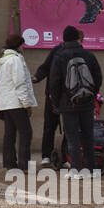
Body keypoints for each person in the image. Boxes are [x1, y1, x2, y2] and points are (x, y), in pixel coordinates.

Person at [46, 25, 103, 175]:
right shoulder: (89, 55)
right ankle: (91, 168)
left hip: (68, 104)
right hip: (87, 103)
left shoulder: (59, 57)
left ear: (64, 39)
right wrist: (92, 94)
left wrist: (57, 102)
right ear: (77, 38)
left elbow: (54, 82)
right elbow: (98, 76)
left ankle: (76, 169)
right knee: (87, 136)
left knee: (72, 138)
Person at [32, 31, 78, 164]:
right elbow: (45, 67)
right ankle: (46, 155)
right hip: (54, 94)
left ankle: (65, 156)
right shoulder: (57, 51)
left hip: (66, 95)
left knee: (67, 127)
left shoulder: (78, 52)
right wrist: (37, 77)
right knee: (50, 125)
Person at [0, 33, 37, 170]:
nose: (23, 47)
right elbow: (20, 83)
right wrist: (26, 103)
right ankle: (24, 164)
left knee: (9, 134)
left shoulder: (3, 60)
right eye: (22, 45)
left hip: (6, 103)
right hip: (17, 103)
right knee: (26, 133)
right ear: (18, 46)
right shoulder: (16, 60)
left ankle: (9, 163)